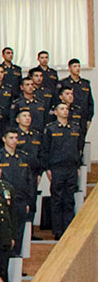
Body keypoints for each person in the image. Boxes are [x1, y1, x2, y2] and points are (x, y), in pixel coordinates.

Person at [41, 102, 82, 239]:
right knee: (57, 199)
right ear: (56, 112)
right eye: (62, 109)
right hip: (57, 168)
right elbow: (45, 150)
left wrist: (78, 166)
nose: (65, 111)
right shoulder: (51, 129)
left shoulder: (75, 128)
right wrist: (47, 168)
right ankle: (58, 231)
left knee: (69, 199)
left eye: (67, 109)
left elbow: (78, 148)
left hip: (71, 168)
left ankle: (69, 228)